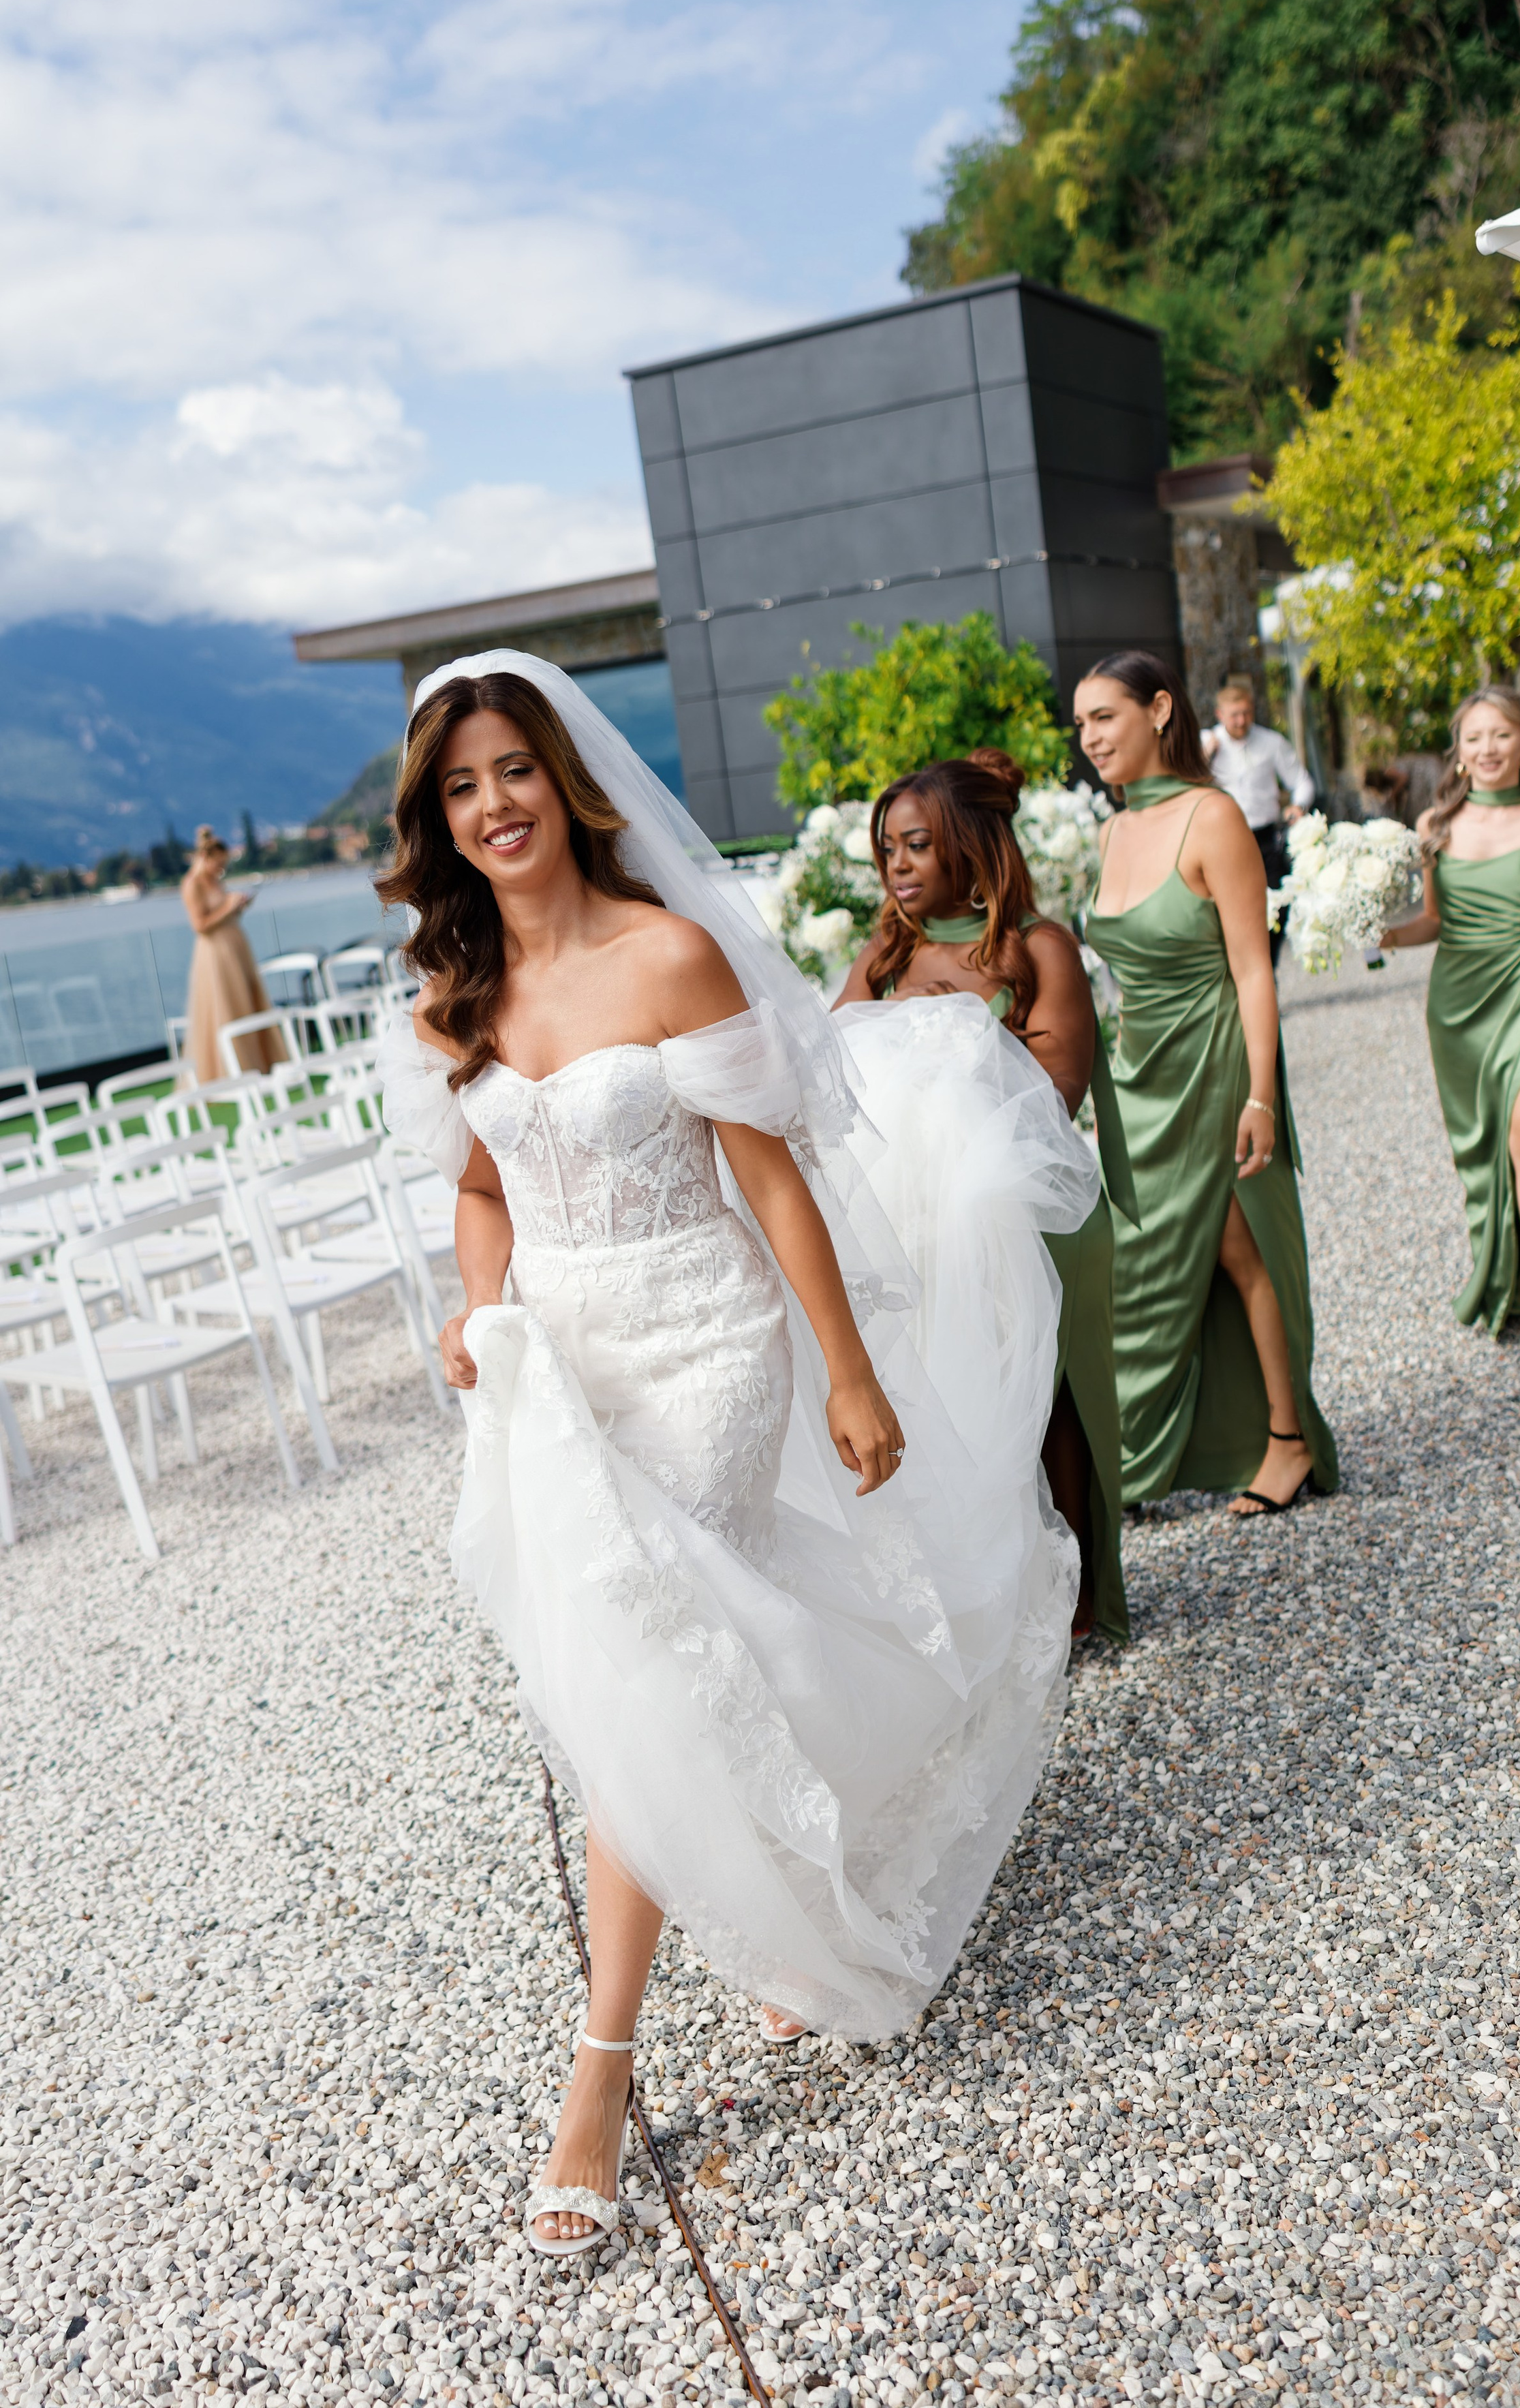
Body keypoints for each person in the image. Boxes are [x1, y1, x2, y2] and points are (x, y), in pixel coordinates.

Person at [377, 652, 1078, 2262]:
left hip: (704, 1342)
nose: (494, 806)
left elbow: (769, 1181)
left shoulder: (670, 953)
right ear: (440, 818)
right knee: (667, 1656)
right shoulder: (451, 996)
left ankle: (601, 2067)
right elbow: (479, 1185)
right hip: (554, 1364)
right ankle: (781, 1895)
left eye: (514, 771)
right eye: (460, 786)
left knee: (641, 1662)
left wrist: (842, 1367)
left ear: (562, 778)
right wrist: (472, 1316)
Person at [833, 747, 1131, 1642]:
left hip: (1017, 1213)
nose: (897, 866)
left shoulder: (1037, 949)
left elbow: (1056, 1095)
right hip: (907, 1220)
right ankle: (969, 1592)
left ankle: (1073, 1598)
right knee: (940, 1397)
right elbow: (829, 1075)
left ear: (970, 846)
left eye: (917, 845)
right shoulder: (886, 954)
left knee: (1045, 1399)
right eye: (886, 849)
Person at [1075, 649, 1338, 1515]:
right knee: (1142, 1262)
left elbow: (1255, 972)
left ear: (1158, 710)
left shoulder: (1213, 817)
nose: (1088, 739)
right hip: (1137, 1073)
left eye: (1102, 717)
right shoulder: (1112, 830)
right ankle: (1142, 1451)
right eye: (1079, 725)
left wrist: (1262, 1094)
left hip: (1215, 1060)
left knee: (1237, 1249)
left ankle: (1287, 1440)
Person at [1379, 688, 1520, 1366]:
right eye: (1473, 739)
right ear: (1458, 753)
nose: (1487, 750)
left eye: (1500, 736)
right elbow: (1434, 920)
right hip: (1460, 1005)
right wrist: (1379, 932)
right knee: (1484, 1151)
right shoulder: (1433, 828)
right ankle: (1501, 1269)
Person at [1199, 678, 1316, 967]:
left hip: (1265, 838)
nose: (1242, 721)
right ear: (1220, 714)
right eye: (1235, 714)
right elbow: (1185, 784)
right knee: (1231, 910)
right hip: (1223, 843)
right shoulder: (1205, 744)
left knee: (1278, 906)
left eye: (1247, 713)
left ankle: (1267, 966)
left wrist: (1298, 806)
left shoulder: (1271, 742)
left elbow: (1302, 781)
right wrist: (1205, 757)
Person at [179, 824, 286, 1082]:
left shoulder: (214, 880)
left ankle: (259, 1063)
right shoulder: (191, 884)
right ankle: (228, 1072)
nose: (221, 869)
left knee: (245, 1001)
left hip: (236, 945)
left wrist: (239, 907)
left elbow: (223, 914)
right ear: (205, 858)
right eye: (218, 864)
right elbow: (200, 926)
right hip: (215, 954)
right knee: (224, 1006)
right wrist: (229, 908)